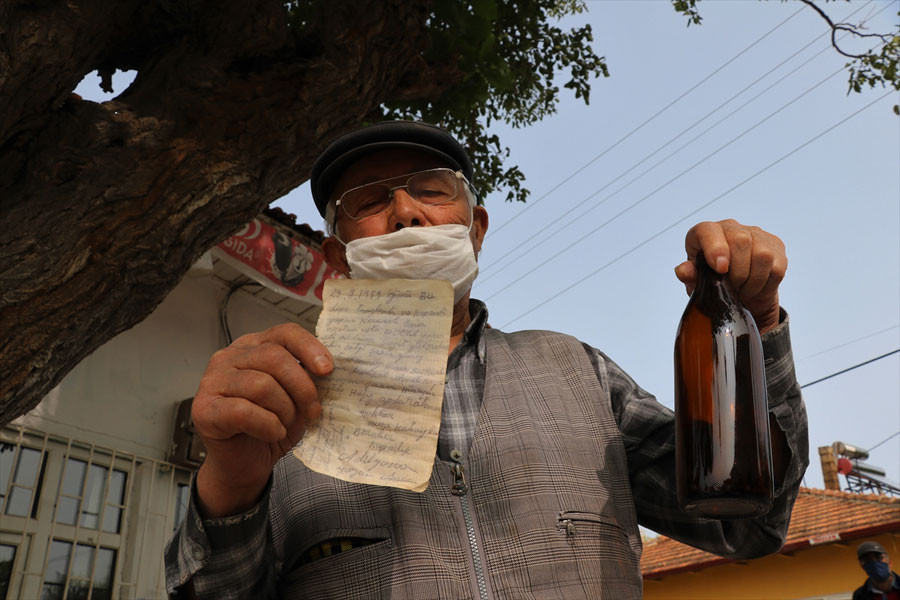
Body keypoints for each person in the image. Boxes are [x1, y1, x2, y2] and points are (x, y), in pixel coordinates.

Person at [165, 120, 809, 599]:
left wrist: (760, 328)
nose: (406, 213)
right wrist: (231, 486)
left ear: (474, 230)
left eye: (431, 191)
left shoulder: (580, 372)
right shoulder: (280, 414)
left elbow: (751, 525)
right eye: (368, 202)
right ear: (338, 262)